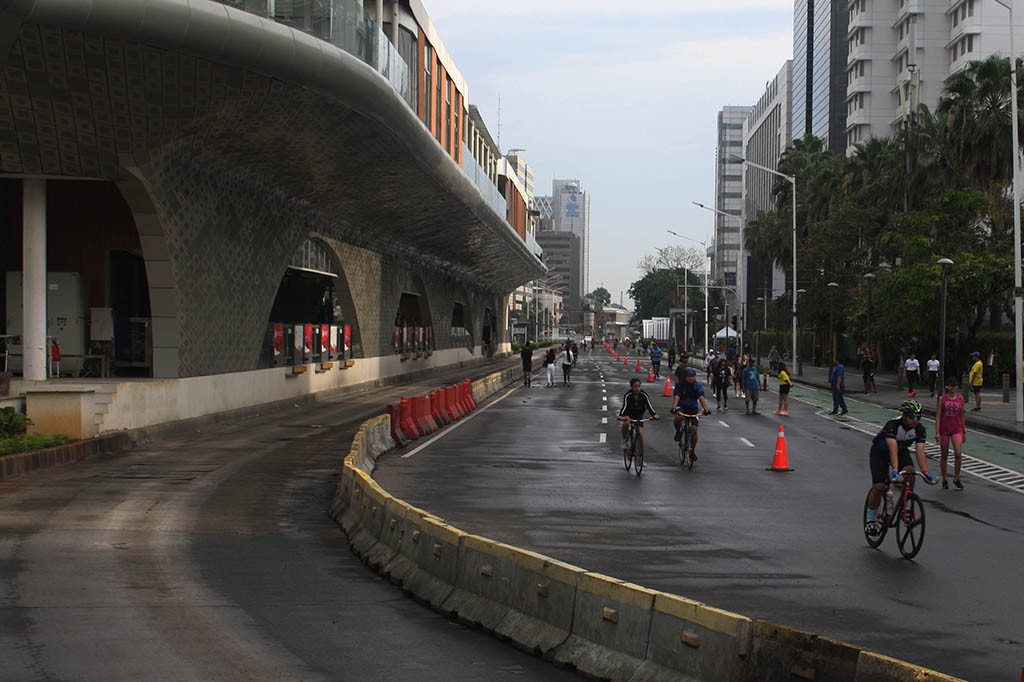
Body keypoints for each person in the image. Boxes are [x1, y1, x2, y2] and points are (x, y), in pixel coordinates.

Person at [864, 400, 934, 536]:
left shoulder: (919, 429)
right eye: (913, 417)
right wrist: (895, 470)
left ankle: (904, 507)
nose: (916, 420)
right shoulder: (892, 425)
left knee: (911, 474)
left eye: (918, 417)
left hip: (901, 451)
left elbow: (920, 451)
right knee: (879, 486)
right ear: (904, 415)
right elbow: (892, 449)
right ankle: (870, 520)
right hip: (880, 452)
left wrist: (926, 472)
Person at [671, 368, 711, 459]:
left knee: (694, 430)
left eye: (693, 376)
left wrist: (706, 409)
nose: (691, 378)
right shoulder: (680, 385)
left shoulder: (697, 385)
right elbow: (677, 397)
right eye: (689, 377)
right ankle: (678, 432)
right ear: (685, 377)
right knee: (678, 417)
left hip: (693, 408)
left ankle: (692, 451)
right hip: (682, 406)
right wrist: (674, 408)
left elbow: (701, 398)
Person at [936, 376, 965, 490]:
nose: (953, 388)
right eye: (951, 386)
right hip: (944, 429)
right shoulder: (942, 399)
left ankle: (956, 478)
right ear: (947, 387)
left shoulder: (960, 399)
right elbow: (938, 416)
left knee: (958, 453)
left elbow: (962, 415)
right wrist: (937, 432)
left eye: (955, 386)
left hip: (956, 429)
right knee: (944, 454)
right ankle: (944, 479)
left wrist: (964, 430)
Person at [619, 377, 659, 452]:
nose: (637, 388)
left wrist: (654, 414)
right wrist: (622, 416)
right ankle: (624, 440)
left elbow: (649, 405)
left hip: (638, 415)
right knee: (626, 423)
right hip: (628, 414)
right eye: (635, 387)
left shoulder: (644, 395)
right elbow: (624, 406)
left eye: (639, 386)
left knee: (640, 434)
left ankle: (640, 458)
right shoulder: (628, 395)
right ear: (631, 387)